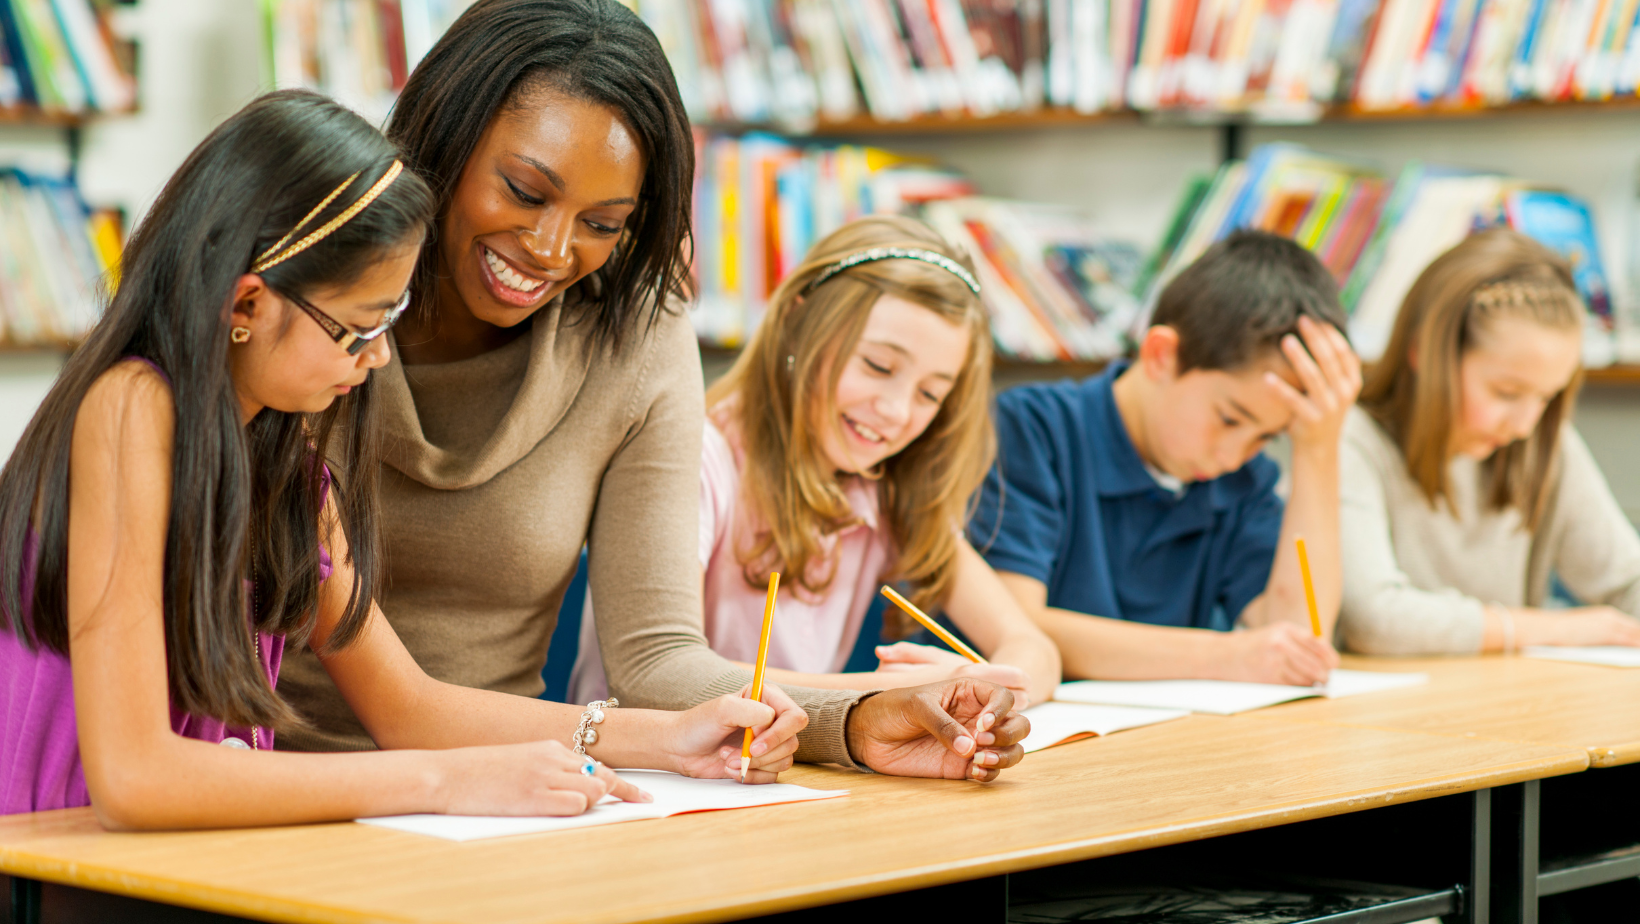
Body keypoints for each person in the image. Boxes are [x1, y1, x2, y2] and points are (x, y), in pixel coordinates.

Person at [0, 91, 816, 827]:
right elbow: (137, 779)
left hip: (196, 865)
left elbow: (409, 706)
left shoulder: (289, 461)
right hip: (61, 863)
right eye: (357, 328)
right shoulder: (132, 410)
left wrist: (671, 740)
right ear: (247, 303)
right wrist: (442, 783)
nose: (379, 359)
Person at [274, 0, 1028, 780]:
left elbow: (659, 657)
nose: (550, 249)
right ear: (445, 135)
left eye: (603, 222)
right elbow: (399, 708)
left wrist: (859, 721)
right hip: (267, 778)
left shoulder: (634, 330)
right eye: (525, 191)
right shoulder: (302, 303)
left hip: (517, 788)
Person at [572, 217, 1061, 708]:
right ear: (795, 324)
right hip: (635, 774)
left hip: (780, 773)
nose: (896, 411)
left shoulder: (880, 487)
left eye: (931, 393)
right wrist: (887, 694)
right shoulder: (695, 461)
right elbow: (661, 678)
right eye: (877, 366)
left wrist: (994, 689)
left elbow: (1033, 649)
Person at [971, 230, 1361, 686]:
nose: (1235, 455)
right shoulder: (1032, 428)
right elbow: (1015, 628)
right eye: (1231, 418)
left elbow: (1300, 639)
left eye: (1268, 436)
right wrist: (1225, 656)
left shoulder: (1244, 477)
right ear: (1160, 356)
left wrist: (1318, 449)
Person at [1338, 228, 1640, 655]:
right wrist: (1545, 628)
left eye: (1546, 397)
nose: (1525, 424)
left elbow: (1626, 581)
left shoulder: (1545, 444)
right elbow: (1374, 619)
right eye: (1507, 393)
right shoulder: (1352, 440)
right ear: (1424, 352)